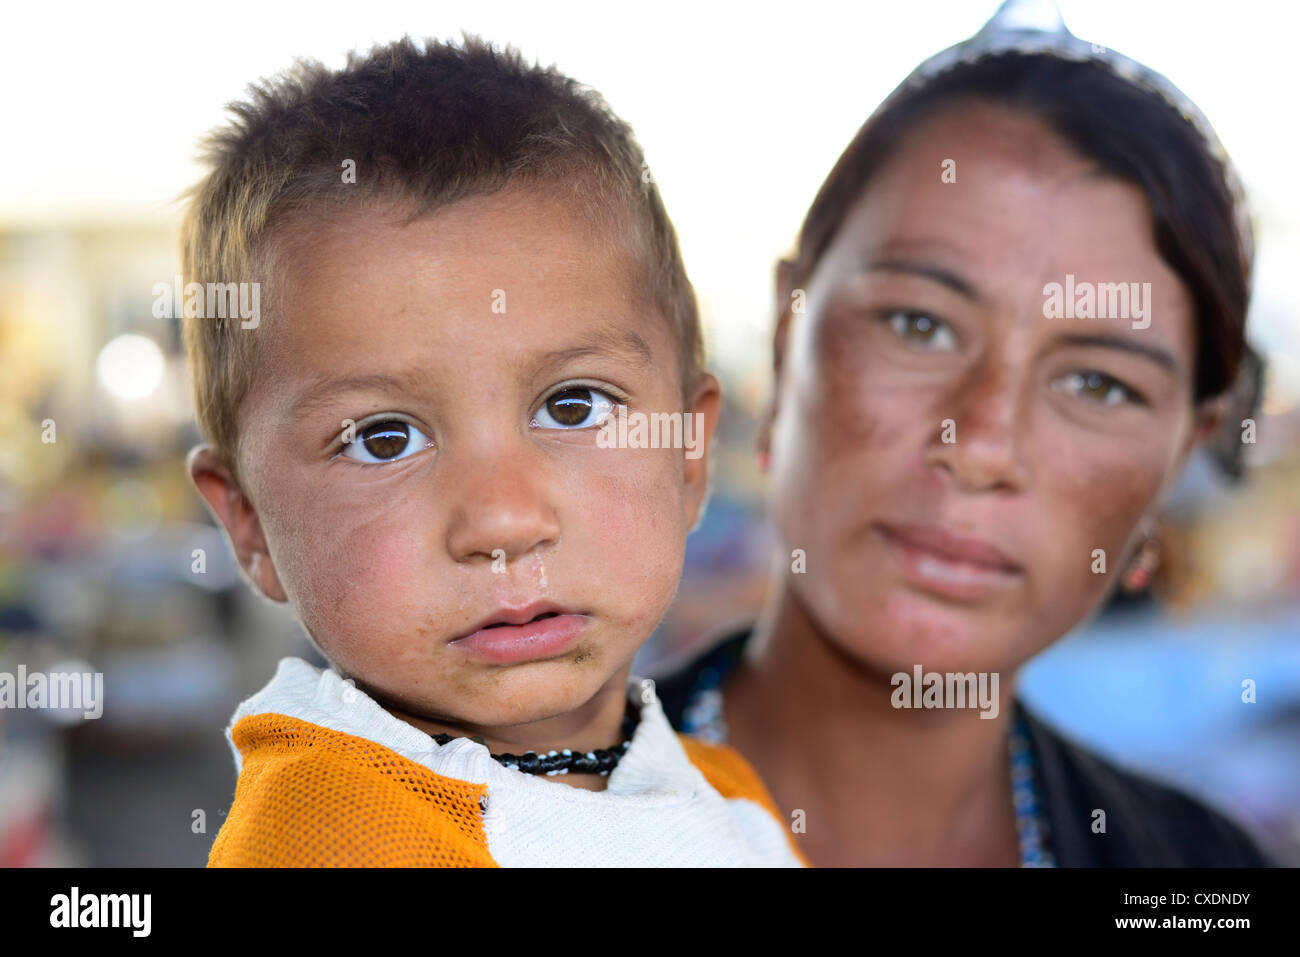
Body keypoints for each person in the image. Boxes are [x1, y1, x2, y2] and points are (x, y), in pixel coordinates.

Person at [655, 1, 1273, 867]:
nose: (980, 441)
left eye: (1097, 383)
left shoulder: (1202, 880)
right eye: (918, 325)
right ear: (791, 338)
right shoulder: (469, 821)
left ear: (1179, 456)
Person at [181, 36, 804, 867]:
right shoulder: (329, 836)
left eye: (573, 406)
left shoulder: (729, 797)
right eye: (383, 438)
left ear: (689, 452)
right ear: (249, 523)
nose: (504, 519)